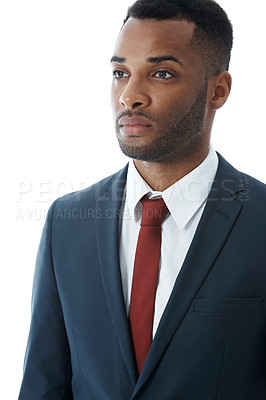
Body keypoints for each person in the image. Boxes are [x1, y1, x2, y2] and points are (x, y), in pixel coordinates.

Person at [18, 0, 266, 399]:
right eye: (120, 73)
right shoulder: (67, 223)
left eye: (161, 73)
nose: (129, 96)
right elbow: (43, 385)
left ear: (217, 91)